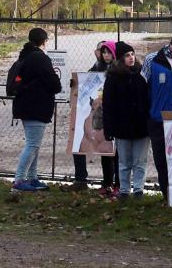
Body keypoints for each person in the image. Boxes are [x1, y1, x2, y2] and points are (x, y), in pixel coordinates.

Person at [10, 27, 62, 192]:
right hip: (36, 106)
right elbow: (55, 84)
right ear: (44, 41)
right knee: (32, 144)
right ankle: (19, 180)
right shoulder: (40, 58)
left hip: (25, 105)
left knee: (34, 144)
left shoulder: (24, 56)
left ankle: (32, 177)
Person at [102, 41, 150, 200]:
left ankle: (138, 189)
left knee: (140, 160)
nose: (131, 58)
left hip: (141, 125)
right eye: (127, 55)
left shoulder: (141, 75)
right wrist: (108, 128)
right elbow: (107, 104)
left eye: (132, 54)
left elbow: (147, 98)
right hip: (122, 125)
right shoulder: (114, 77)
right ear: (121, 58)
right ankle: (124, 189)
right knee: (124, 161)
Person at [72, 40, 118, 194]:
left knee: (113, 151)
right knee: (85, 144)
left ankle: (116, 184)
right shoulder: (96, 68)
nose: (104, 55)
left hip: (113, 112)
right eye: (102, 51)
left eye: (107, 51)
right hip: (97, 111)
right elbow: (86, 82)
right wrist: (76, 84)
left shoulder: (119, 68)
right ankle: (98, 182)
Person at [142, 39, 172, 197]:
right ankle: (167, 195)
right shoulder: (151, 59)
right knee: (161, 160)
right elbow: (142, 87)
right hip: (157, 119)